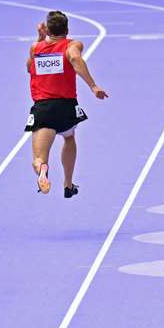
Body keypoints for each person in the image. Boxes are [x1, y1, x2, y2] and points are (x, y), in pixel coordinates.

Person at [25, 12, 108, 197]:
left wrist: (40, 40)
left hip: (43, 108)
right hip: (66, 107)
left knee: (38, 158)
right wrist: (93, 86)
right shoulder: (72, 45)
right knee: (69, 137)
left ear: (48, 30)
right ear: (67, 30)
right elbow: (75, 59)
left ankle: (43, 170)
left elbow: (29, 67)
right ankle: (68, 184)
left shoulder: (35, 48)